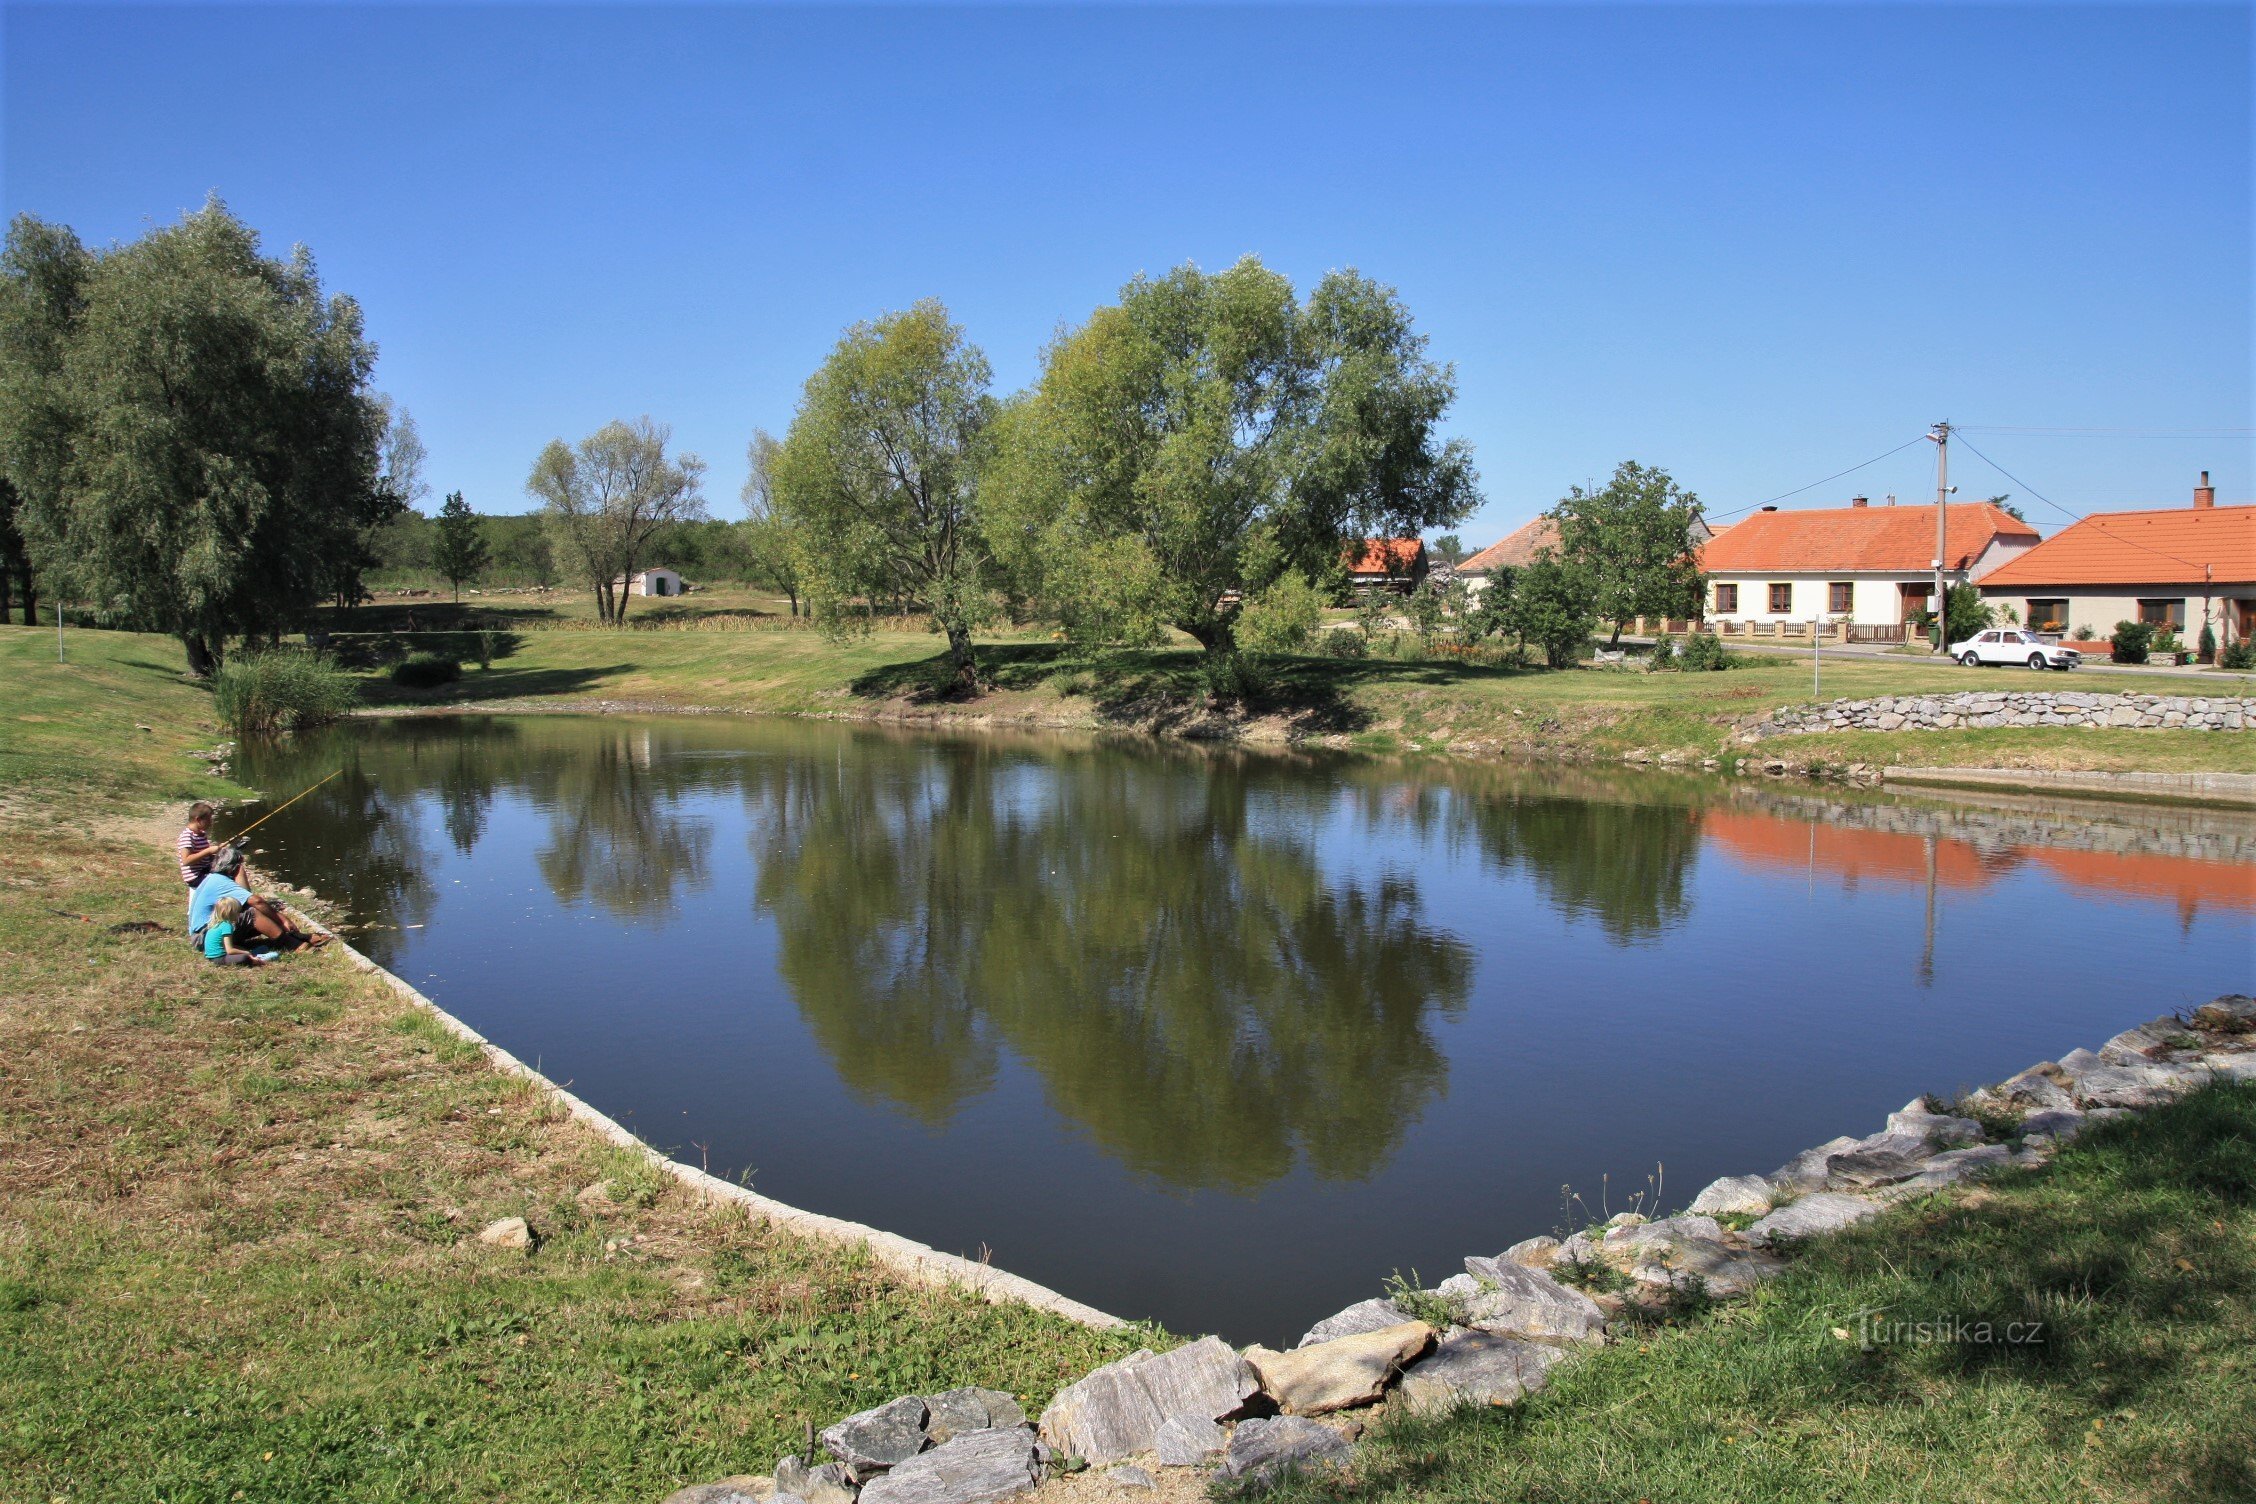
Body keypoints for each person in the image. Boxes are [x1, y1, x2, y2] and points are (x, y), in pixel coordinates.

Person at [186, 846, 326, 953]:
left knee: (258, 908)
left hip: (205, 934)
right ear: (233, 868)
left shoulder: (213, 878)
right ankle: (292, 944)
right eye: (240, 866)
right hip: (204, 938)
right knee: (252, 913)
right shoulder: (221, 882)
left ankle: (298, 937)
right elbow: (255, 901)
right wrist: (283, 919)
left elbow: (246, 896)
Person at [202, 896, 273, 966]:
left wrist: (243, 950)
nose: (239, 914)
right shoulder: (226, 926)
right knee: (244, 957)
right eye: (238, 912)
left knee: (248, 950)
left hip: (211, 957)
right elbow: (230, 950)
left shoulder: (216, 924)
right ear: (231, 912)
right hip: (220, 958)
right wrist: (246, 953)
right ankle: (256, 960)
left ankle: (252, 954)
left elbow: (227, 945)